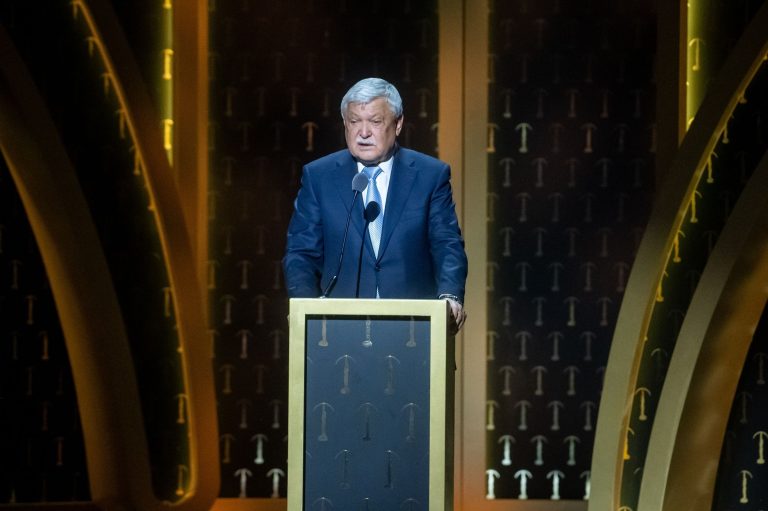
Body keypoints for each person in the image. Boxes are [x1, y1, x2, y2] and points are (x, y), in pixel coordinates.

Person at [283, 77, 468, 331]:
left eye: (375, 121)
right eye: (354, 121)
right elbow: (301, 253)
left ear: (398, 124)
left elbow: (447, 244)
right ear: (345, 124)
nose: (363, 133)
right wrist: (305, 309)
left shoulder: (430, 175)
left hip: (414, 326)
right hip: (338, 328)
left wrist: (450, 295)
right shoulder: (319, 177)